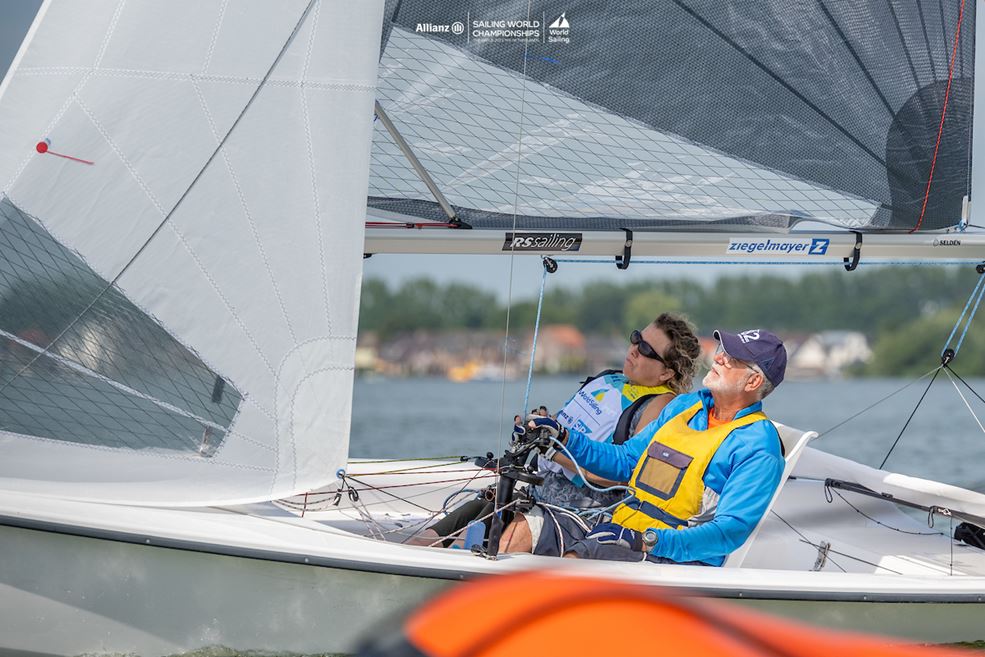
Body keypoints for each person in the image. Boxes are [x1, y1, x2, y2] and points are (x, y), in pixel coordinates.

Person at [500, 328, 787, 566]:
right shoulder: (686, 406)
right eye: (723, 351)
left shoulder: (758, 446)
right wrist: (562, 437)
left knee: (578, 560)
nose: (719, 358)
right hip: (623, 526)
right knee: (521, 532)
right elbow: (625, 460)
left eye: (732, 358)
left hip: (673, 557)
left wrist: (649, 540)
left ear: (754, 380)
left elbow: (728, 532)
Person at [413, 313, 701, 548]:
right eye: (636, 338)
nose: (634, 349)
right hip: (543, 492)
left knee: (510, 538)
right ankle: (420, 561)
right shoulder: (609, 379)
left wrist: (551, 447)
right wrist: (540, 425)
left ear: (666, 373)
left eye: (647, 350)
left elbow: (618, 472)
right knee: (462, 518)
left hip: (582, 514)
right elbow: (565, 424)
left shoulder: (661, 406)